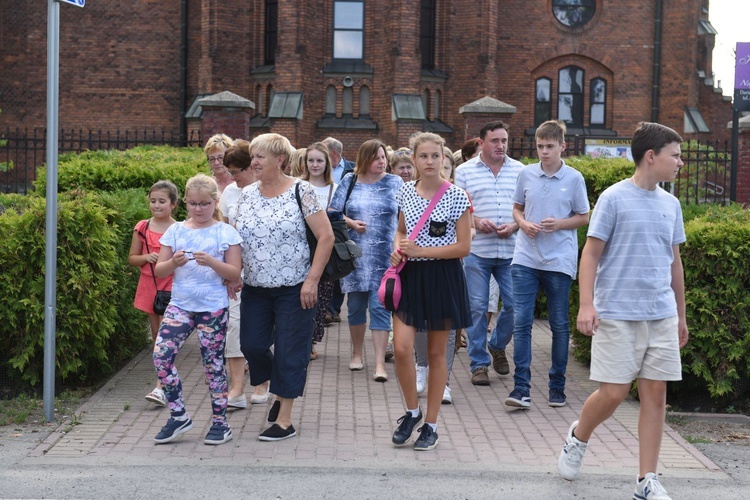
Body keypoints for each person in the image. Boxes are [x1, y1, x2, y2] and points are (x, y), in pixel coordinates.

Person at [558, 123, 688, 500]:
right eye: (675, 155)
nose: (680, 162)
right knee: (613, 394)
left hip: (660, 314)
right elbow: (591, 253)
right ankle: (578, 436)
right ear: (652, 157)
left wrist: (680, 315)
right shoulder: (614, 199)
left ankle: (646, 479)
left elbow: (674, 263)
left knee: (655, 396)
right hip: (617, 312)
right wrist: (586, 304)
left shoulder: (672, 204)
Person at [234, 133, 334, 442]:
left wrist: (312, 280)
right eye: (253, 156)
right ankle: (278, 387)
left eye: (260, 156)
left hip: (295, 287)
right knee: (251, 344)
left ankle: (285, 419)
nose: (254, 162)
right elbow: (237, 238)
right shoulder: (247, 194)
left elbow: (326, 237)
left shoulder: (301, 191)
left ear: (280, 160)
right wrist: (233, 272)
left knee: (291, 351)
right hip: (254, 287)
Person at [390, 132, 472, 451]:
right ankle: (413, 411)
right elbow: (400, 231)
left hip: (443, 277)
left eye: (435, 156)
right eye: (423, 156)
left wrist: (423, 250)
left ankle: (431, 425)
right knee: (401, 349)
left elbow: (464, 247)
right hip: (409, 276)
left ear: (443, 158)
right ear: (413, 159)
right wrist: (399, 249)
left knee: (438, 354)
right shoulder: (405, 192)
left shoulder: (457, 196)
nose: (429, 162)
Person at [504, 120, 590, 410]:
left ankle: (557, 386)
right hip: (525, 257)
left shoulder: (574, 178)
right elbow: (516, 208)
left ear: (562, 146)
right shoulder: (526, 174)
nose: (544, 152)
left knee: (559, 325)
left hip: (559, 260)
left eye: (549, 146)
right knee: (521, 323)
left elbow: (584, 216)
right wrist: (522, 223)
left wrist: (560, 224)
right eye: (540, 146)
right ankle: (521, 388)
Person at [151, 174, 243, 445]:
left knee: (213, 364)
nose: (198, 209)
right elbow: (159, 270)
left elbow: (234, 271)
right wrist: (174, 263)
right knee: (161, 356)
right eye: (192, 203)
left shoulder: (225, 232)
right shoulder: (176, 231)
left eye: (204, 203)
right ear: (185, 204)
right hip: (181, 305)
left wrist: (214, 263)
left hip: (212, 307)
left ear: (215, 202)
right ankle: (178, 415)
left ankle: (220, 423)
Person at [454, 121, 524, 386]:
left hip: (511, 250)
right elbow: (460, 210)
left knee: (517, 305)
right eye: (495, 141)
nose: (501, 146)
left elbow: (527, 208)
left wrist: (516, 224)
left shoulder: (520, 170)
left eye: (504, 140)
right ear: (481, 143)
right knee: (477, 307)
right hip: (477, 250)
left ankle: (496, 344)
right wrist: (477, 221)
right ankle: (478, 364)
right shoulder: (464, 171)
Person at [328, 139, 402, 381]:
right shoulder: (350, 181)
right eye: (377, 157)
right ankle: (357, 354)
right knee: (356, 307)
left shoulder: (395, 182)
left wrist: (401, 247)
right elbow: (332, 211)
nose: (382, 162)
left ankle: (379, 363)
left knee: (381, 307)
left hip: (386, 256)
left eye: (384, 157)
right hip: (355, 256)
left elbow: (406, 217)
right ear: (365, 159)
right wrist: (350, 223)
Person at [219, 141, 271, 408]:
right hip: (237, 273)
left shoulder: (269, 190)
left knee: (260, 333)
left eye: (236, 171)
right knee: (235, 327)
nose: (232, 177)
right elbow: (226, 234)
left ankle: (263, 382)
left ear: (251, 166)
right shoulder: (229, 193)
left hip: (268, 275)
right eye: (229, 171)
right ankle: (237, 388)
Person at [128, 180, 179, 407]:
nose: (156, 205)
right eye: (152, 201)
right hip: (150, 286)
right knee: (157, 333)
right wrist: (146, 258)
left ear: (173, 204)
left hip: (172, 286)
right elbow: (132, 258)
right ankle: (165, 379)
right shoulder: (143, 227)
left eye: (162, 201)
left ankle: (162, 385)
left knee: (168, 334)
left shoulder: (179, 228)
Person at [302, 142, 338, 360]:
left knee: (321, 297)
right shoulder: (298, 185)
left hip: (325, 247)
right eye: (311, 160)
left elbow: (340, 216)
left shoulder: (335, 188)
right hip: (302, 246)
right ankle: (302, 340)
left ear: (327, 163)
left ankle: (312, 341)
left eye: (319, 160)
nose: (315, 165)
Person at [322, 136, 356, 325]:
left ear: (334, 154)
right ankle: (329, 309)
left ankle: (333, 309)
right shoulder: (320, 168)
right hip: (323, 222)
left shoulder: (353, 170)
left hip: (343, 225)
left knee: (340, 264)